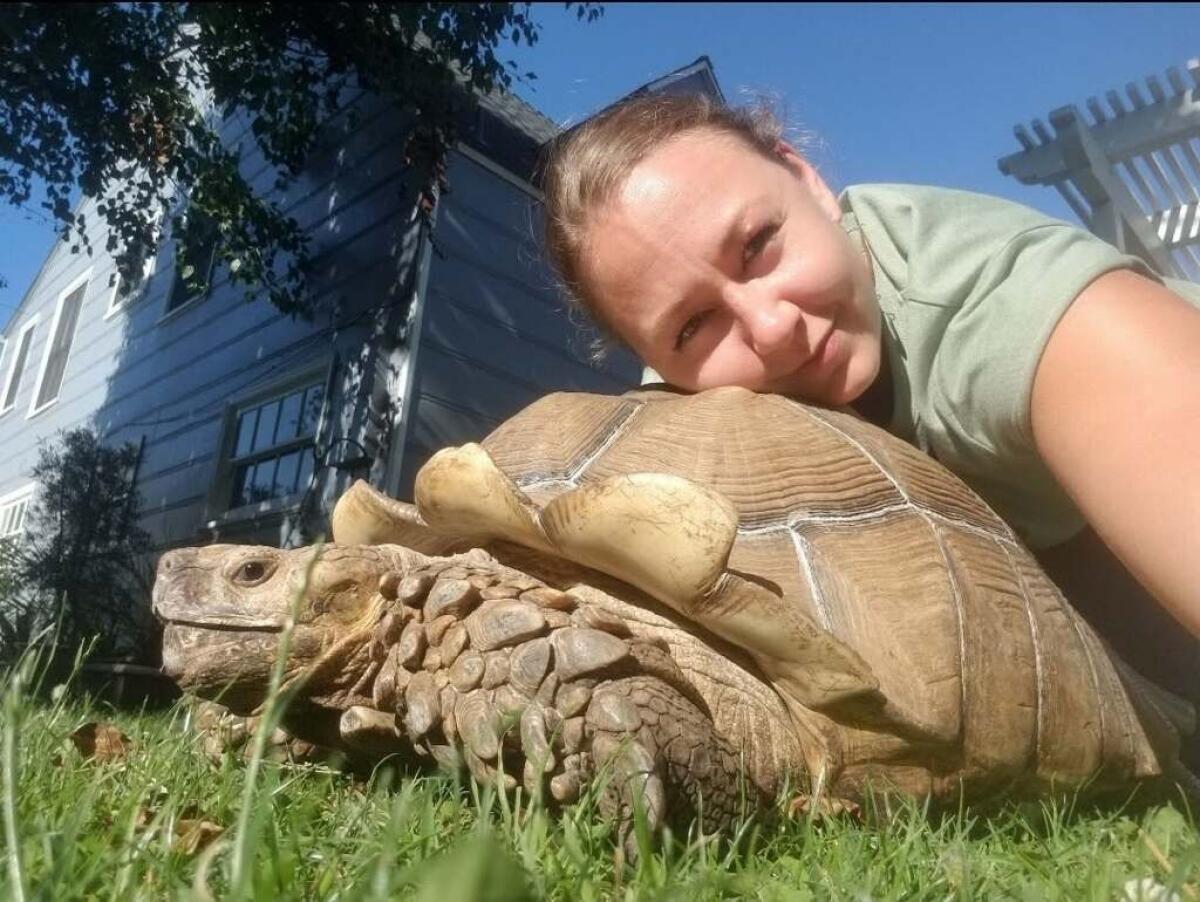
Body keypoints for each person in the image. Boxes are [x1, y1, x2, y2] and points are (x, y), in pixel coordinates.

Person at [537, 92, 1200, 742]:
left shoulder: (1006, 305)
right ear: (653, 364)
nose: (773, 329)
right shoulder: (675, 411)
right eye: (694, 325)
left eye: (760, 243)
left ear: (811, 182)